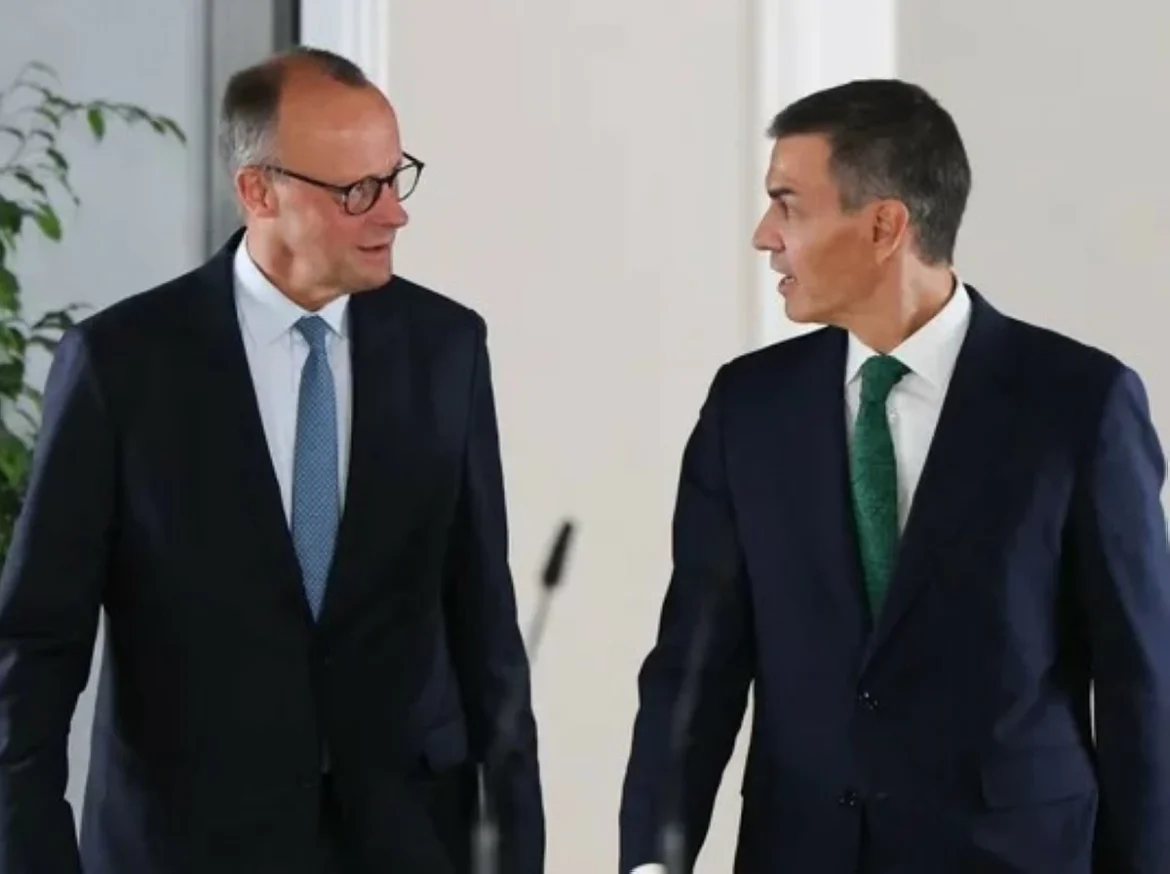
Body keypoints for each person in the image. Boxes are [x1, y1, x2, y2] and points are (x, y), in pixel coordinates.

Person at [0, 47, 543, 874]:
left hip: (405, 838)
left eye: (396, 178)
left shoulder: (447, 348)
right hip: (183, 845)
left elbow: (486, 630)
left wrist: (516, 850)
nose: (394, 214)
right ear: (259, 191)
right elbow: (37, 648)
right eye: (359, 190)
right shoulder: (121, 365)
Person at [619, 78, 1170, 874]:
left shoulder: (1078, 403)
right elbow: (694, 668)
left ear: (884, 226)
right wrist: (652, 862)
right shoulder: (748, 408)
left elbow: (1138, 682)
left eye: (787, 205)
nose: (765, 237)